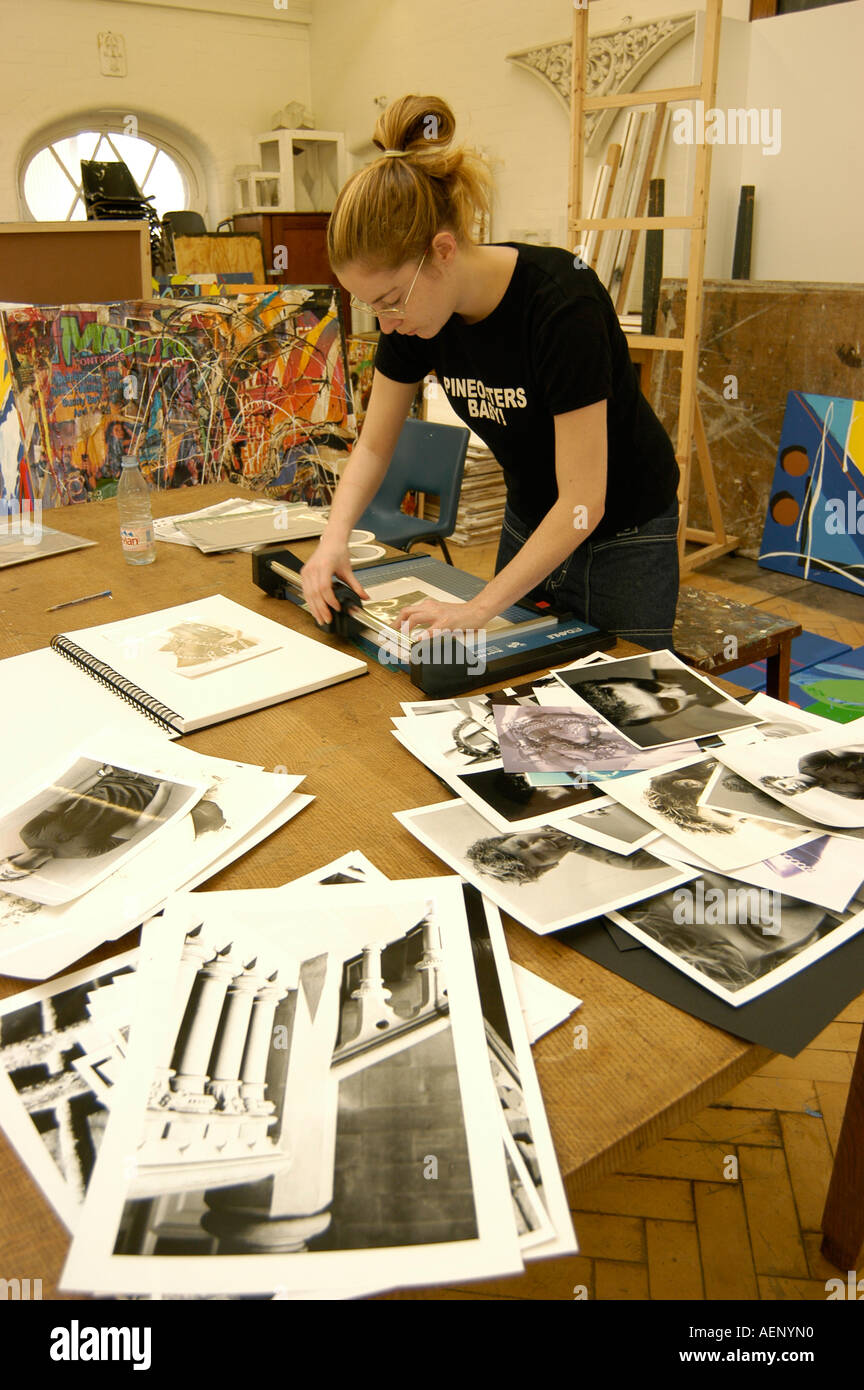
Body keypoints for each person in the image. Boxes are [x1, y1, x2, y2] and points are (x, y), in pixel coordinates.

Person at [300, 95, 681, 648]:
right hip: (533, 518)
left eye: (389, 300)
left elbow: (583, 500)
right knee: (516, 693)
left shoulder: (559, 305)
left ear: (444, 250)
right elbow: (375, 447)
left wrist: (479, 606)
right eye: (370, 306)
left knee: (618, 703)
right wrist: (334, 539)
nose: (385, 321)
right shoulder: (414, 319)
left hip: (624, 528)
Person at [761, 747, 864, 802]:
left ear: (780, 777)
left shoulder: (808, 763)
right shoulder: (845, 794)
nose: (793, 787)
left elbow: (847, 749)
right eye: (791, 791)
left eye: (784, 785)